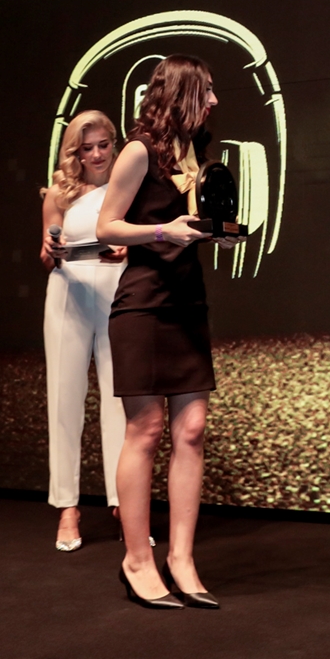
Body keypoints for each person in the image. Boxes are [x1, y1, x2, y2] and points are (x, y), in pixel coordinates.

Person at [95, 55, 237, 610]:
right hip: (143, 305)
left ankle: (181, 558)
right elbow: (107, 226)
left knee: (193, 429)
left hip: (187, 302)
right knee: (146, 430)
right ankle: (137, 559)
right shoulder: (138, 151)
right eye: (208, 90)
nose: (215, 100)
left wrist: (215, 233)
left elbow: (189, 225)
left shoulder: (196, 152)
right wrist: (162, 231)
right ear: (182, 93)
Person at [39, 110, 128, 553]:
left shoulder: (129, 186)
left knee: (121, 402)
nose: (96, 155)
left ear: (114, 144)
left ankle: (123, 504)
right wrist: (51, 249)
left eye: (102, 145)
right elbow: (45, 256)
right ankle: (67, 508)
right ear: (74, 151)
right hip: (68, 293)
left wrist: (127, 249)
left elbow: (143, 241)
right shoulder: (60, 192)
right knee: (64, 400)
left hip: (117, 293)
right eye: (86, 148)